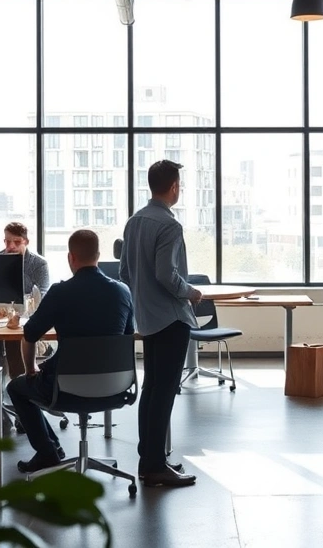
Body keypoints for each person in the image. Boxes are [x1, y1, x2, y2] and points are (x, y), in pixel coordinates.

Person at [6, 230, 134, 473]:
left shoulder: (60, 292)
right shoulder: (123, 292)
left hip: (65, 389)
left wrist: (30, 369)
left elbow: (30, 335)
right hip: (115, 388)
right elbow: (127, 338)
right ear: (98, 256)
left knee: (16, 387)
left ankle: (48, 452)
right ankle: (50, 449)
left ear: (70, 258)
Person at [120, 159, 201, 488]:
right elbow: (167, 275)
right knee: (164, 392)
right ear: (173, 187)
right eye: (179, 184)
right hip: (171, 317)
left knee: (152, 389)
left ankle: (149, 459)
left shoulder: (134, 221)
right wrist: (190, 292)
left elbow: (125, 273)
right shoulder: (169, 225)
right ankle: (154, 465)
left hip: (147, 318)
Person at [0, 222, 50, 379]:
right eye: (7, 241)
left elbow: (43, 294)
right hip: (0, 316)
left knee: (17, 336)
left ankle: (20, 382)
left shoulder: (39, 263)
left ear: (26, 242)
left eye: (17, 242)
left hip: (27, 316)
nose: (11, 246)